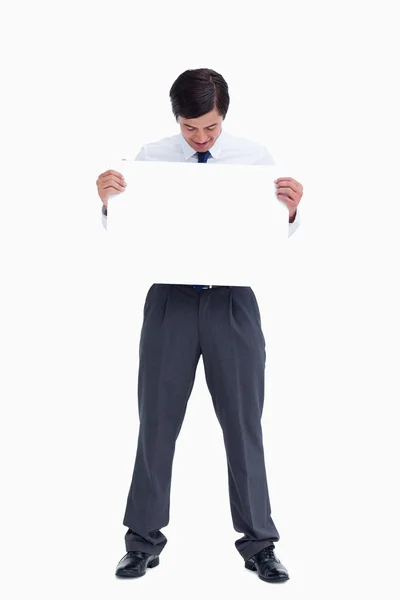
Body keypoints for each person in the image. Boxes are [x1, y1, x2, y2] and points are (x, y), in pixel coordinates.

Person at [96, 68, 303, 584]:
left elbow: (275, 241)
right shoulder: (151, 159)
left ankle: (260, 544)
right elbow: (126, 235)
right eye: (191, 128)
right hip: (170, 301)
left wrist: (293, 213)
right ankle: (141, 542)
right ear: (177, 119)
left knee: (243, 426)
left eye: (210, 128)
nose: (201, 138)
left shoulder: (255, 160)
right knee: (157, 423)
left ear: (224, 116)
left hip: (233, 302)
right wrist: (108, 202)